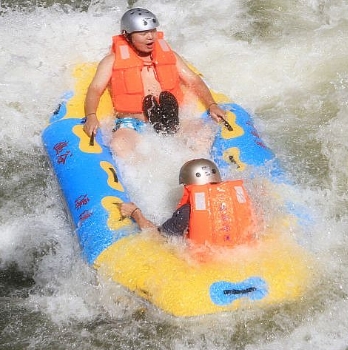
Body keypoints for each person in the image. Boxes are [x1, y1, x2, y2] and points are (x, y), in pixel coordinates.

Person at [83, 8, 228, 157]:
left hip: (172, 117)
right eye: (142, 33)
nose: (150, 37)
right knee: (120, 145)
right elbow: (95, 89)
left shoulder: (170, 56)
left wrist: (212, 105)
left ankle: (199, 172)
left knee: (203, 133)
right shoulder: (111, 61)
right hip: (133, 124)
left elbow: (194, 80)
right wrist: (91, 115)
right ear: (127, 36)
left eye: (152, 31)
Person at [119, 158, 257, 247]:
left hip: (206, 263)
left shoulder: (188, 211)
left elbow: (156, 237)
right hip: (240, 255)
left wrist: (136, 213)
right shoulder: (240, 198)